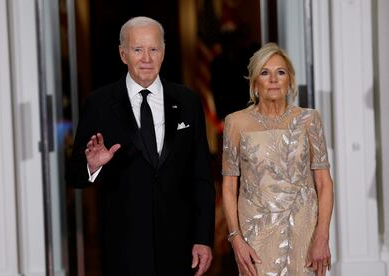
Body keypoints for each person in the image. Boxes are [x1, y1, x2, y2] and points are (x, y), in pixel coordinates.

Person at [68, 16, 215, 276]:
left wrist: (203, 238)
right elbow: (75, 175)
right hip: (123, 244)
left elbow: (201, 176)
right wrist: (92, 165)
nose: (146, 58)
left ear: (164, 52)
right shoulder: (99, 103)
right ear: (123, 54)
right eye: (138, 49)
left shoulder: (188, 101)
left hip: (179, 243)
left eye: (153, 49)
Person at [221, 42, 334, 276]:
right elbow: (230, 186)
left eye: (280, 72)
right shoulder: (235, 123)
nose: (273, 79)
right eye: (265, 72)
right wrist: (236, 239)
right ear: (254, 83)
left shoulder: (309, 120)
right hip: (257, 234)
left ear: (290, 80)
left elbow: (324, 183)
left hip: (304, 232)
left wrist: (322, 237)